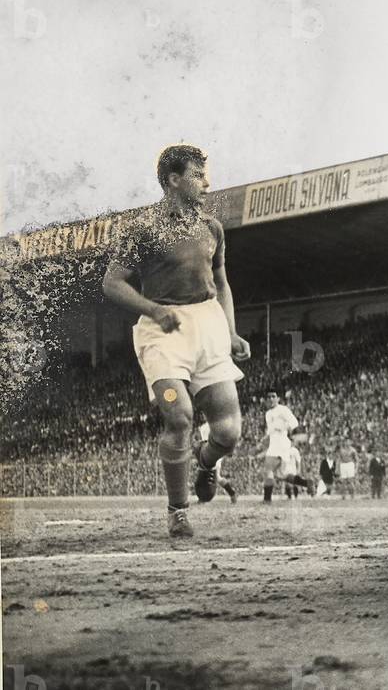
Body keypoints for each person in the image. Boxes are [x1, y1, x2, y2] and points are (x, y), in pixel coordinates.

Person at [102, 144, 249, 537]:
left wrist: (231, 331)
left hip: (209, 327)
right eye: (198, 175)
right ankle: (178, 511)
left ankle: (206, 461)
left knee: (228, 433)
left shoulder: (212, 228)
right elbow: (112, 283)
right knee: (179, 413)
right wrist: (153, 309)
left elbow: (221, 284)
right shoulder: (143, 230)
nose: (207, 183)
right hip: (162, 334)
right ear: (173, 179)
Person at [261, 389, 299, 504]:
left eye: (273, 396)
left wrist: (283, 428)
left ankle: (267, 499)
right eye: (269, 397)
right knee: (280, 474)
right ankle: (305, 483)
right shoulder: (268, 414)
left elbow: (294, 423)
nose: (271, 399)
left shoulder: (283, 410)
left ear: (278, 399)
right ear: (266, 400)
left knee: (268, 470)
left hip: (281, 443)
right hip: (274, 444)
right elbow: (270, 431)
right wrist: (264, 438)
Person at [196, 413, 238, 504]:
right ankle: (203, 497)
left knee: (216, 477)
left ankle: (232, 493)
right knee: (205, 475)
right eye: (202, 414)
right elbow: (203, 441)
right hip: (206, 453)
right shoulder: (202, 427)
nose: (203, 416)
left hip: (215, 453)